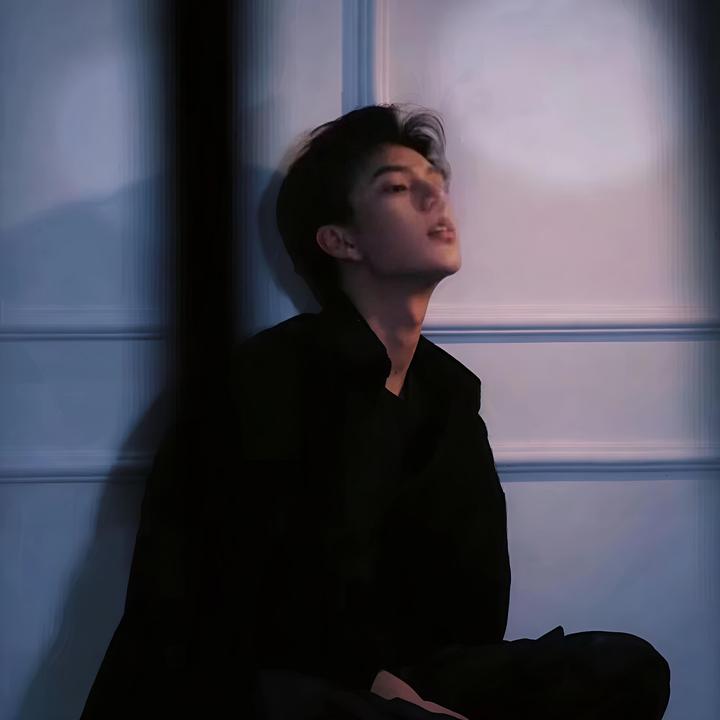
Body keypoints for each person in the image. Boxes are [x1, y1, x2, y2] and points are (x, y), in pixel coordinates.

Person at [81, 104, 671, 719]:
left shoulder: (447, 394)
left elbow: (473, 613)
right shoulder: (267, 376)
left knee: (625, 668)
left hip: (404, 680)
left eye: (435, 183)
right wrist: (384, 687)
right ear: (340, 240)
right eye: (396, 187)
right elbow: (236, 603)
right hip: (252, 679)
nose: (434, 198)